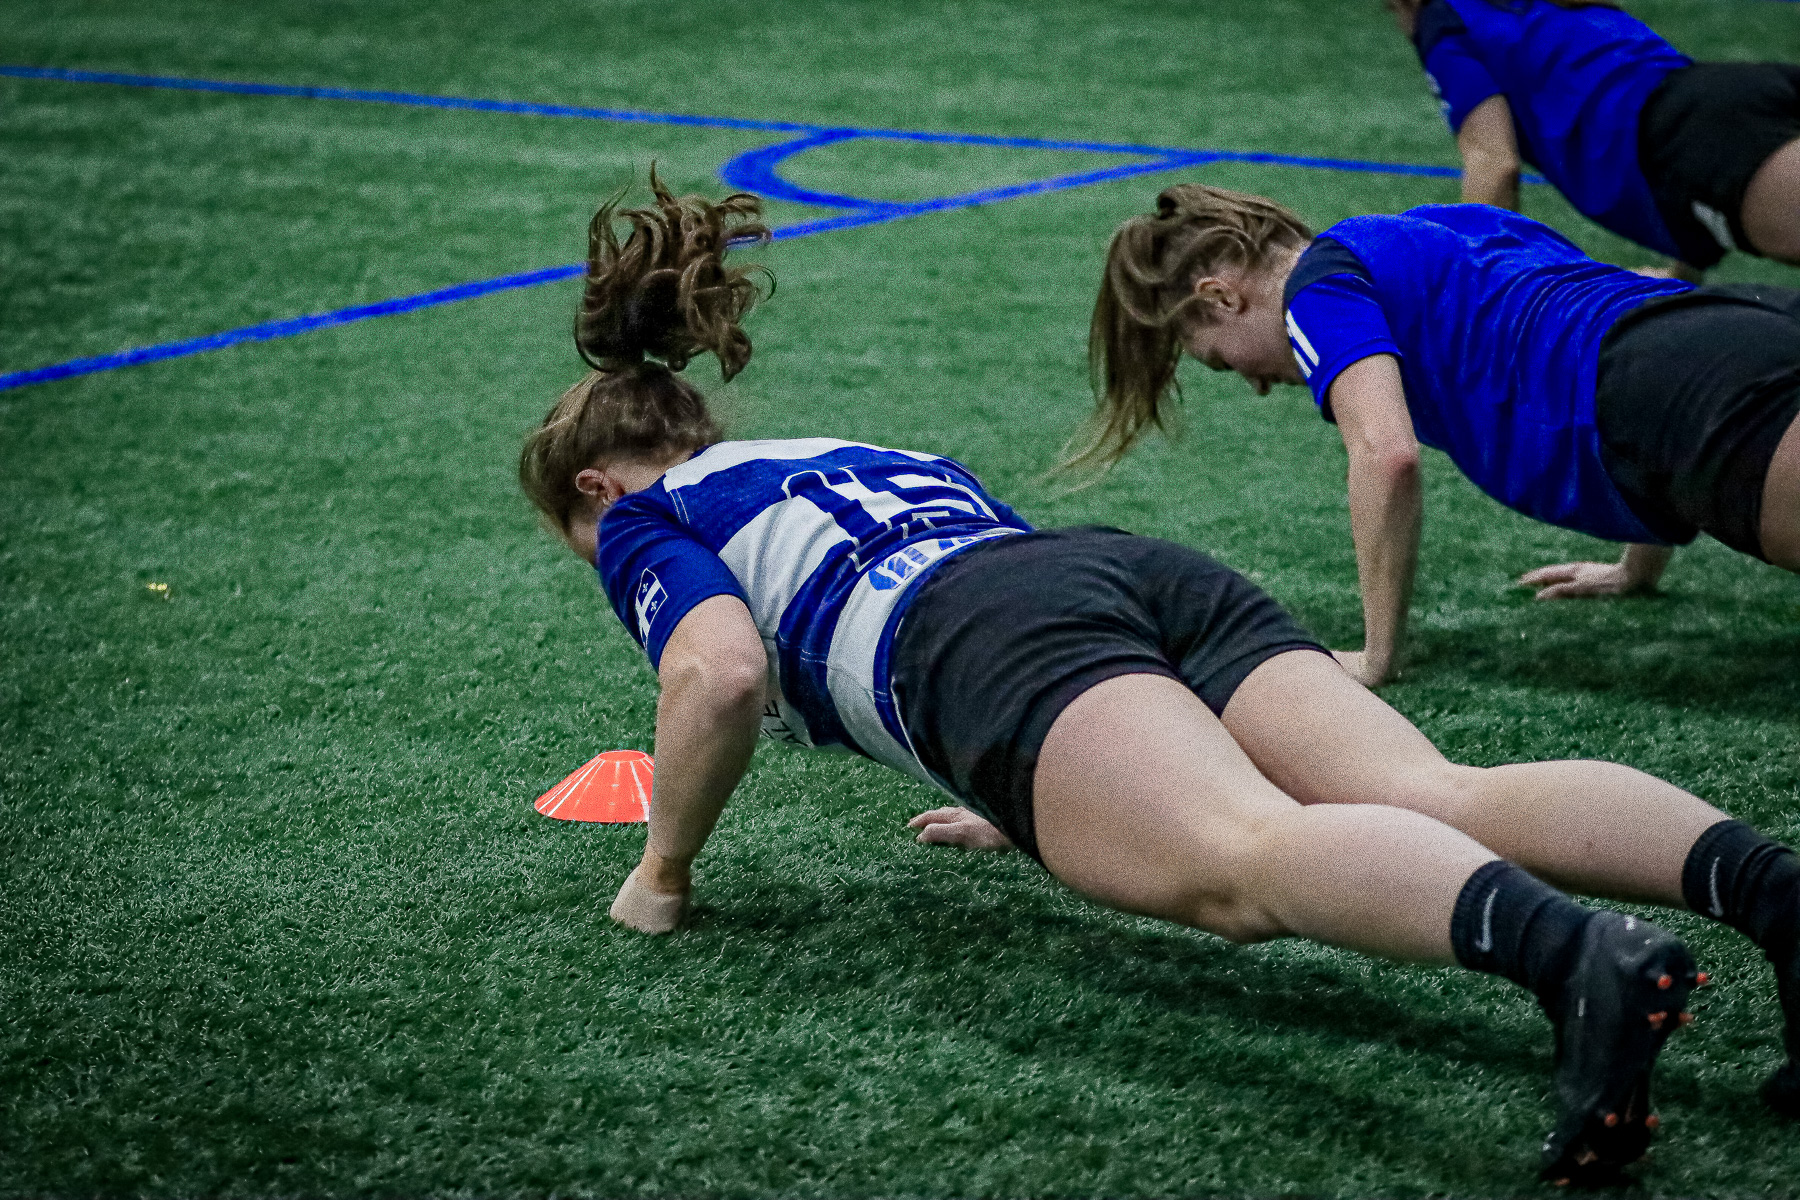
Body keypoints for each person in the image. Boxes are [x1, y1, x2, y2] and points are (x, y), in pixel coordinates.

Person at [522, 175, 1800, 1184]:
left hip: (987, 639)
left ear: (597, 490)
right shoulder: (849, 450)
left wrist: (662, 873)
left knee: (1243, 858)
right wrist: (1026, 784)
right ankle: (1775, 897)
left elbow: (721, 674)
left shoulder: (646, 518)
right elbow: (1064, 621)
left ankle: (1580, 958)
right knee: (1434, 784)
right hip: (1117, 578)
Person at [1082, 183, 1800, 688]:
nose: (1257, 383)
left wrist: (1375, 655)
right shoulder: (1436, 225)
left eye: (1220, 359)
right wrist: (1637, 566)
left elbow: (1387, 456)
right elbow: (1618, 318)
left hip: (1686, 395)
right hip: (1742, 322)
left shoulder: (1316, 292)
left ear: (1223, 295)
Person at [1384, 0, 1800, 277]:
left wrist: (1467, 297)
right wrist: (1681, 271)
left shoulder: (1445, 23)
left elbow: (1494, 165)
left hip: (1694, 136)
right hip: (1744, 92)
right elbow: (1675, 111)